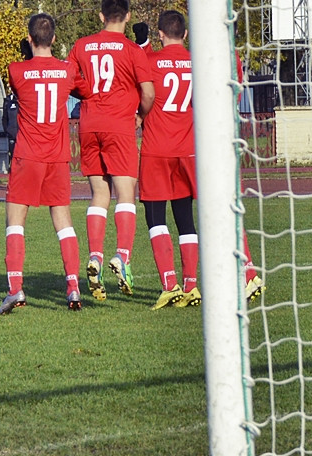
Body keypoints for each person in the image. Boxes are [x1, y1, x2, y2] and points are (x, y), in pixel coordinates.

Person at [139, 12, 264, 310]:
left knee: (156, 216)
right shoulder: (200, 61)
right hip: (193, 147)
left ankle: (171, 284)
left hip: (158, 148)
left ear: (160, 34)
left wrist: (142, 45)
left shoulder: (151, 61)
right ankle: (215, 280)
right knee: (204, 212)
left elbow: (141, 88)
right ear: (184, 34)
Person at [0, 13, 82, 314]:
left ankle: (15, 290)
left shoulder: (16, 70)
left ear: (29, 39)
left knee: (15, 221)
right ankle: (73, 288)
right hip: (57, 156)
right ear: (55, 40)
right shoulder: (68, 69)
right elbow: (79, 89)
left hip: (28, 155)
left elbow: (22, 87)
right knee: (64, 223)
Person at [68, 0, 155, 300]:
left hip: (90, 124)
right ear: (128, 17)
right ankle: (123, 257)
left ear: (102, 15)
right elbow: (148, 92)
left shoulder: (82, 45)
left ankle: (95, 257)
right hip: (120, 125)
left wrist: (85, 90)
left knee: (99, 194)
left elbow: (69, 77)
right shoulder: (132, 50)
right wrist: (141, 116)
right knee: (126, 191)